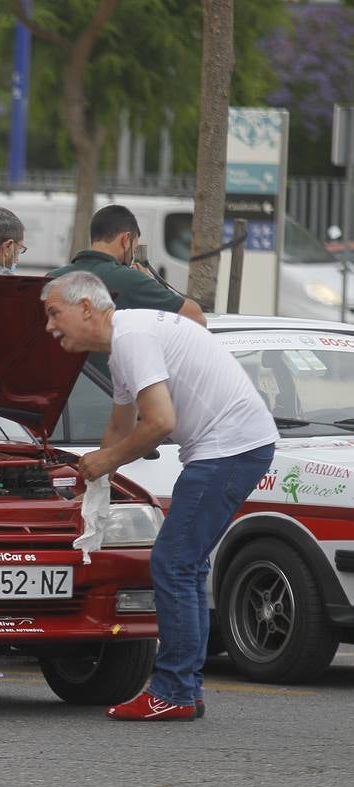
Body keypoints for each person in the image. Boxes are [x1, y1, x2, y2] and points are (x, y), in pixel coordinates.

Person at [41, 271, 277, 721]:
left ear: (86, 308)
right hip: (235, 446)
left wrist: (106, 462)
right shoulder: (126, 342)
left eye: (55, 314)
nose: (50, 328)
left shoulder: (132, 339)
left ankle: (174, 690)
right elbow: (119, 430)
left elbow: (160, 423)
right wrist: (93, 475)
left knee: (174, 563)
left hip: (227, 449)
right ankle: (185, 687)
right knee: (186, 567)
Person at [48, 204, 208, 327]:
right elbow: (197, 318)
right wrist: (150, 282)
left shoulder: (53, 278)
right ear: (126, 239)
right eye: (135, 248)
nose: (133, 256)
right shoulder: (132, 280)